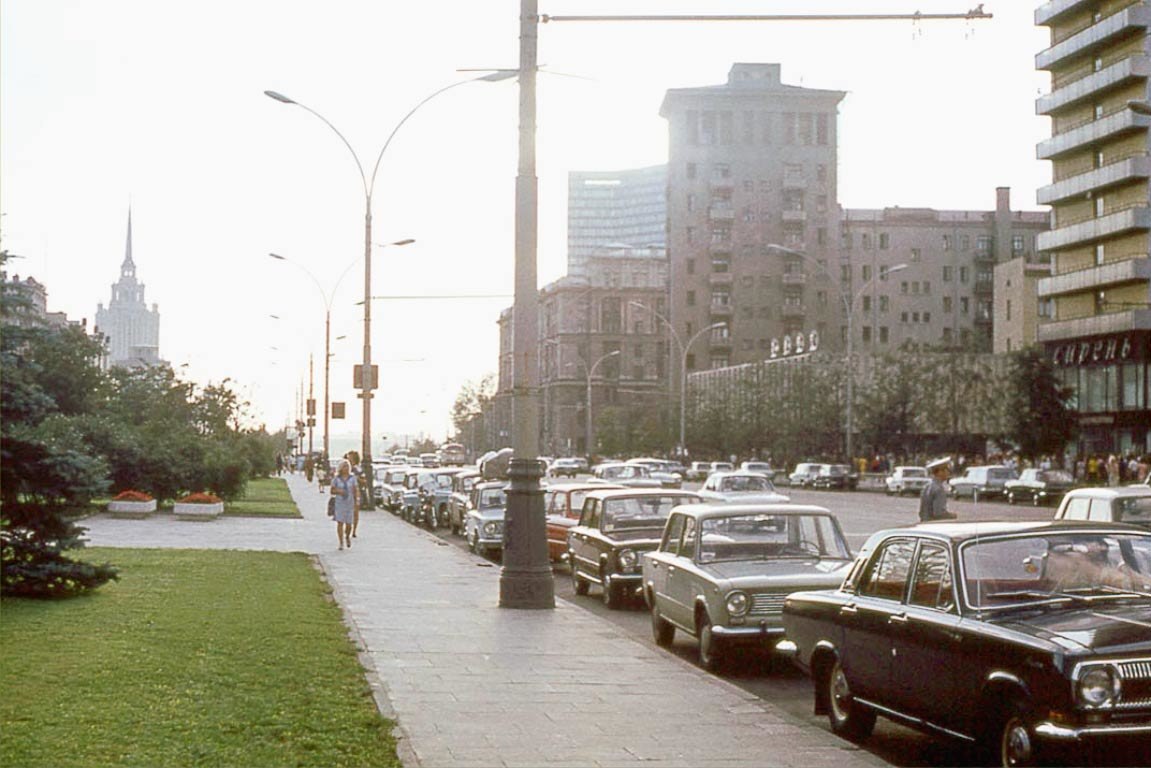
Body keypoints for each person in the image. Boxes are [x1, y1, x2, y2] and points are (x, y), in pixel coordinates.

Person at [330, 459, 359, 550]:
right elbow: (332, 490)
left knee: (349, 523)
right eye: (344, 467)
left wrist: (357, 500)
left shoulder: (352, 478)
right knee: (340, 522)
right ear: (341, 468)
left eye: (347, 467)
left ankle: (347, 536)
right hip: (339, 503)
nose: (346, 468)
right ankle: (341, 542)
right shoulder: (336, 479)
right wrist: (339, 491)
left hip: (349, 502)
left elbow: (355, 490)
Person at [919, 456, 956, 522]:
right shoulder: (939, 489)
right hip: (933, 525)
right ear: (940, 472)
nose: (948, 473)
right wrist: (953, 516)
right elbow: (939, 514)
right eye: (946, 470)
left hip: (924, 523)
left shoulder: (927, 486)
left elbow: (921, 512)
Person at [344, 450, 363, 538]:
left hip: (356, 492)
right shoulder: (345, 468)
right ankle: (348, 527)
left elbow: (364, 481)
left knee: (355, 512)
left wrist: (358, 479)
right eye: (348, 457)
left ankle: (354, 530)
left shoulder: (358, 469)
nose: (348, 459)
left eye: (350, 457)